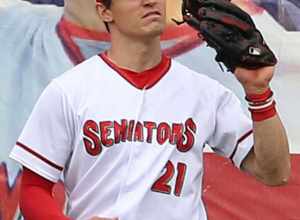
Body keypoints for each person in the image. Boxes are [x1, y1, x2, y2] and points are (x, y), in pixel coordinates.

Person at [9, 0, 290, 220]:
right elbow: (34, 189)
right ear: (105, 10)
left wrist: (259, 93)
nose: (150, 1)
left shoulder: (205, 92)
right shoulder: (68, 91)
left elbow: (274, 173)